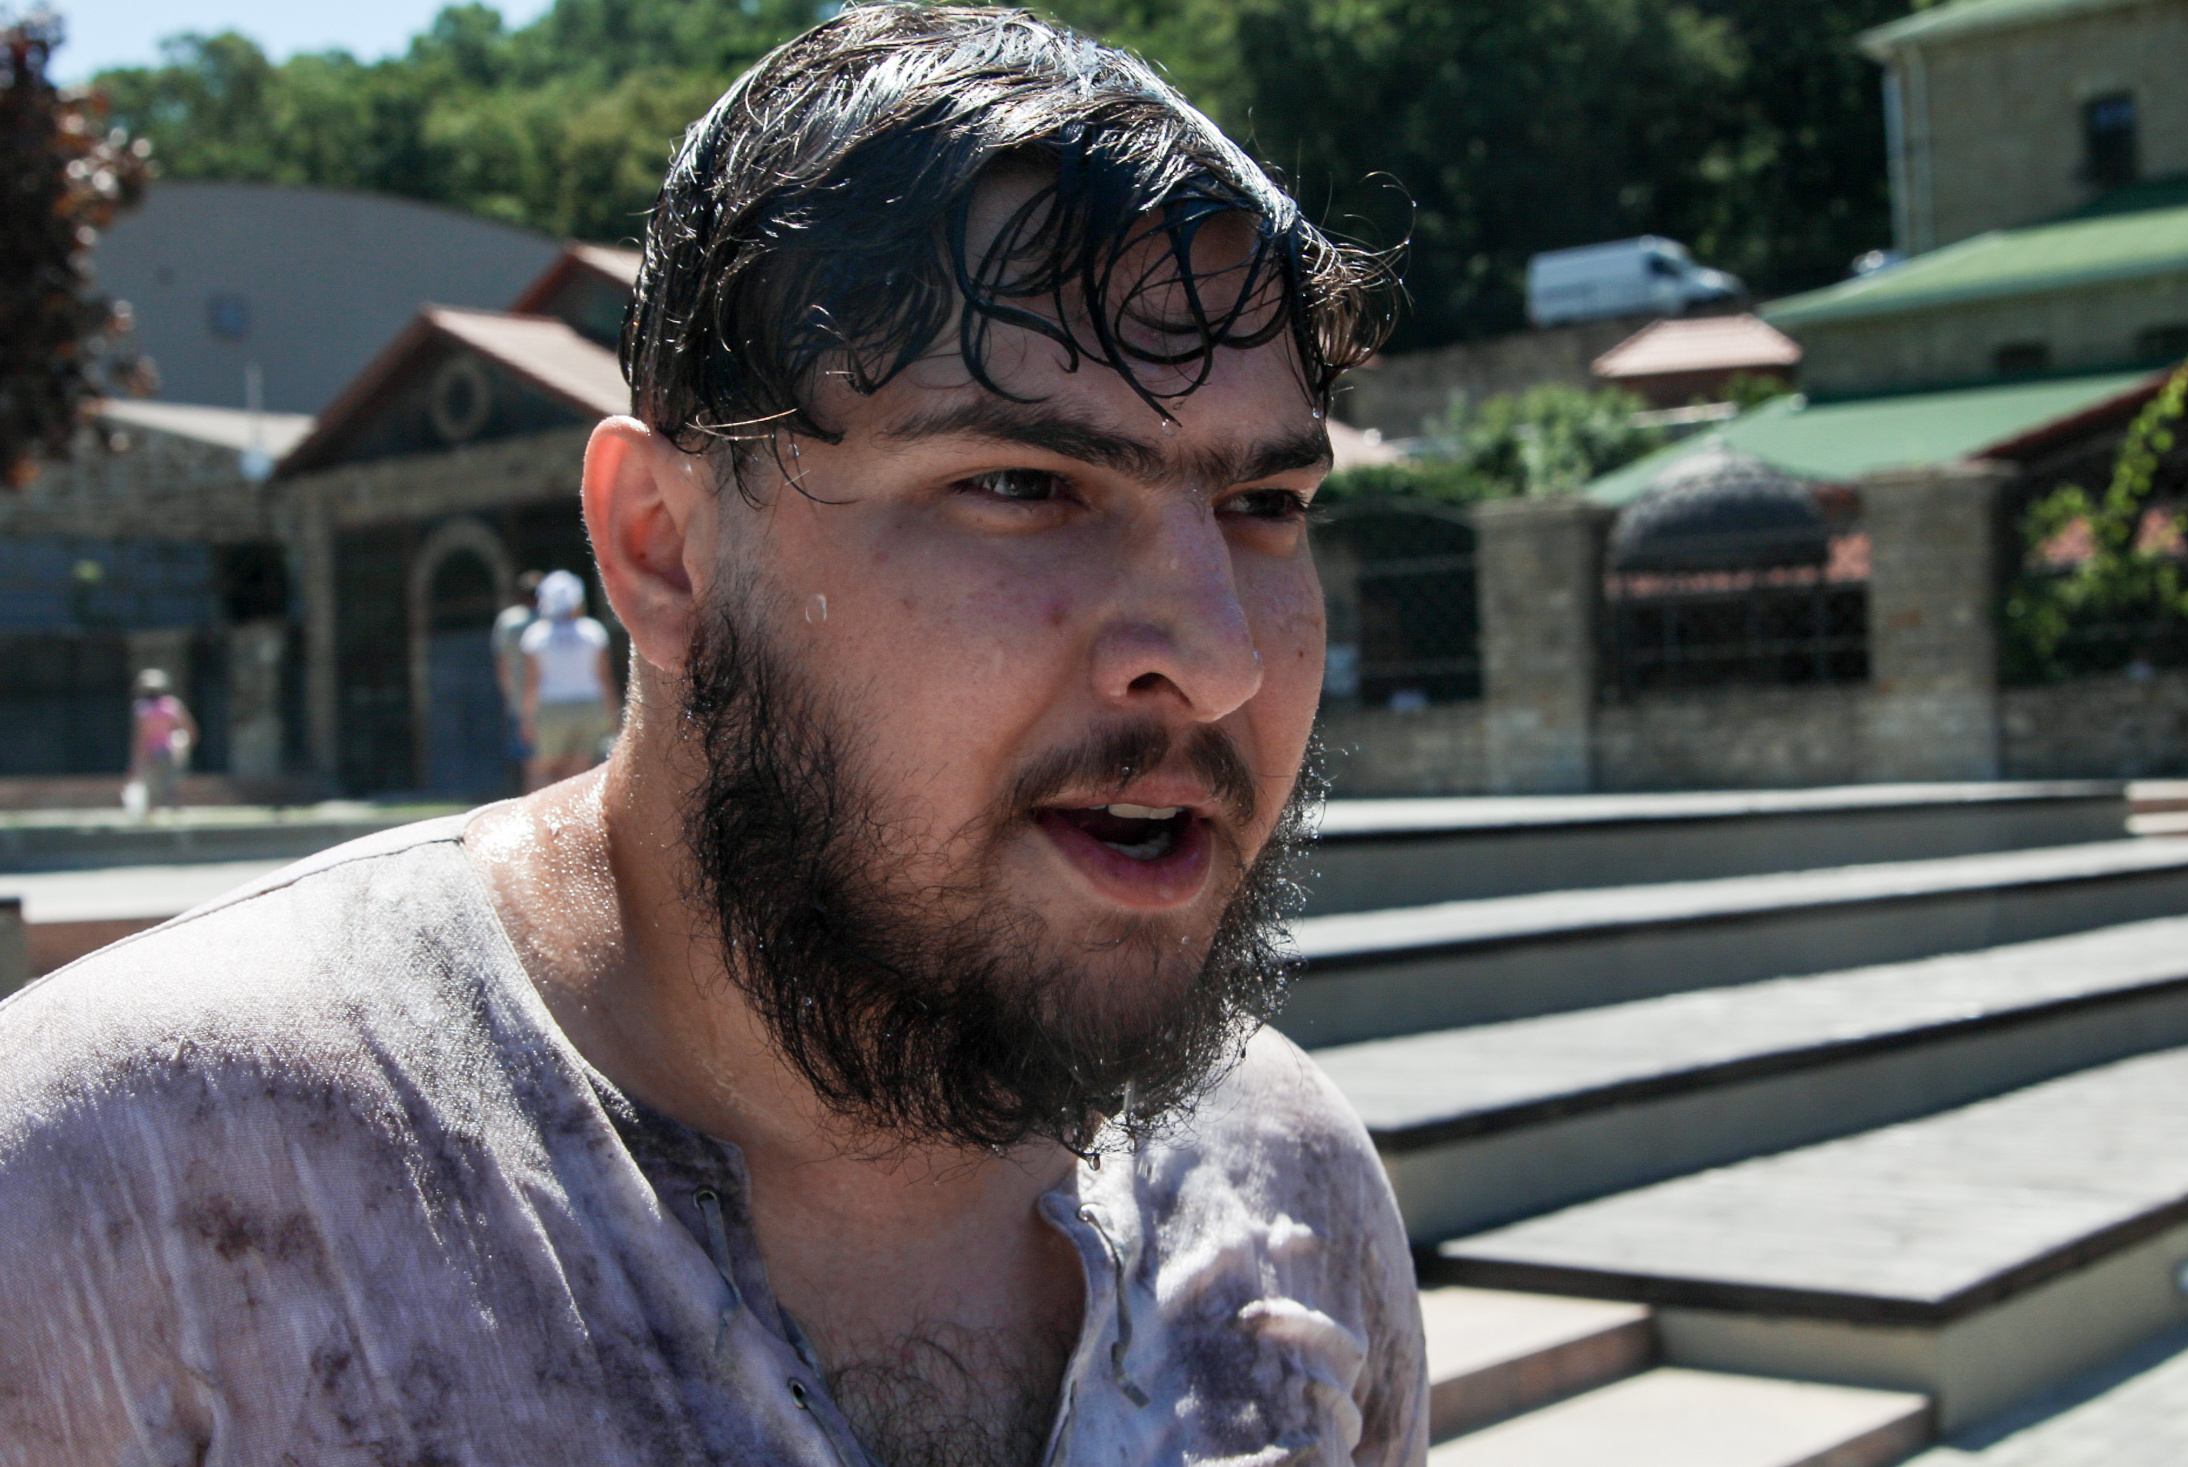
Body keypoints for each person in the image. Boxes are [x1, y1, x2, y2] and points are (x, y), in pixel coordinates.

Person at [0, 9, 1425, 1465]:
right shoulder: (114, 1201)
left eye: (1265, 507)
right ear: (660, 548)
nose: (1218, 659)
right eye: (1021, 483)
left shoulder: (1288, 1194)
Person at [518, 568, 620, 790]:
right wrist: (612, 714)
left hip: (551, 708)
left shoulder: (536, 635)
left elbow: (532, 681)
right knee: (579, 774)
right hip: (588, 706)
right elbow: (604, 677)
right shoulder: (593, 632)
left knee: (543, 771)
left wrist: (526, 718)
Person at [491, 568, 546, 779]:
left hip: (519, 700)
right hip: (549, 697)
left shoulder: (508, 621)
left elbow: (501, 663)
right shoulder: (551, 621)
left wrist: (509, 695)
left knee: (529, 762)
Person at [124, 666, 197, 819]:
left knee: (152, 783)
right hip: (170, 749)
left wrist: (137, 759)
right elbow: (188, 727)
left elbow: (141, 737)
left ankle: (153, 812)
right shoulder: (172, 705)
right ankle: (175, 812)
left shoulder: (142, 709)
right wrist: (186, 744)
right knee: (170, 782)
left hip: (152, 751)